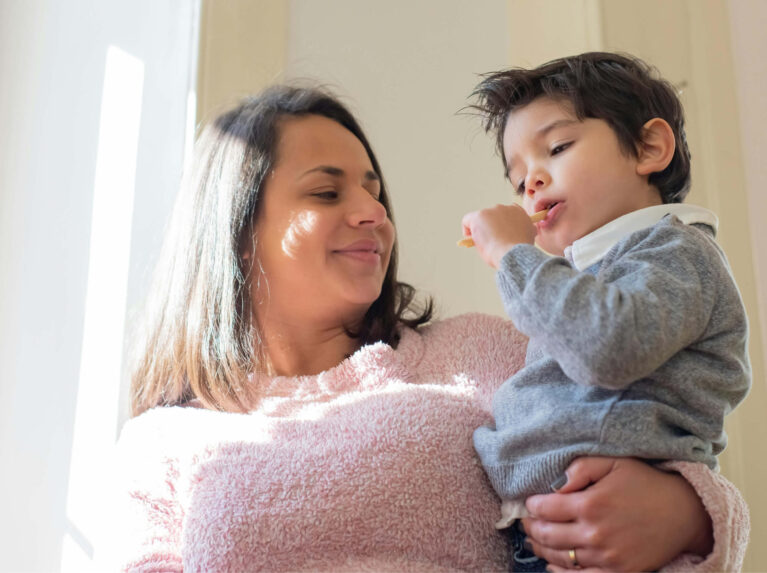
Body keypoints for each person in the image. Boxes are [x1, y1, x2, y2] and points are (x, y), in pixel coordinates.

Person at [110, 85, 749, 572]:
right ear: (239, 234)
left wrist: (688, 518)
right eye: (327, 194)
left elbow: (676, 449)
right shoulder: (162, 443)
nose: (374, 214)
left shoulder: (485, 351)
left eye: (374, 192)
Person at [461, 52, 751, 572]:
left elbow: (607, 348)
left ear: (648, 147)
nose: (531, 184)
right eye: (517, 178)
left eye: (557, 148)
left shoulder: (676, 252)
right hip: (545, 537)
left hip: (625, 540)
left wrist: (511, 254)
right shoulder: (577, 278)